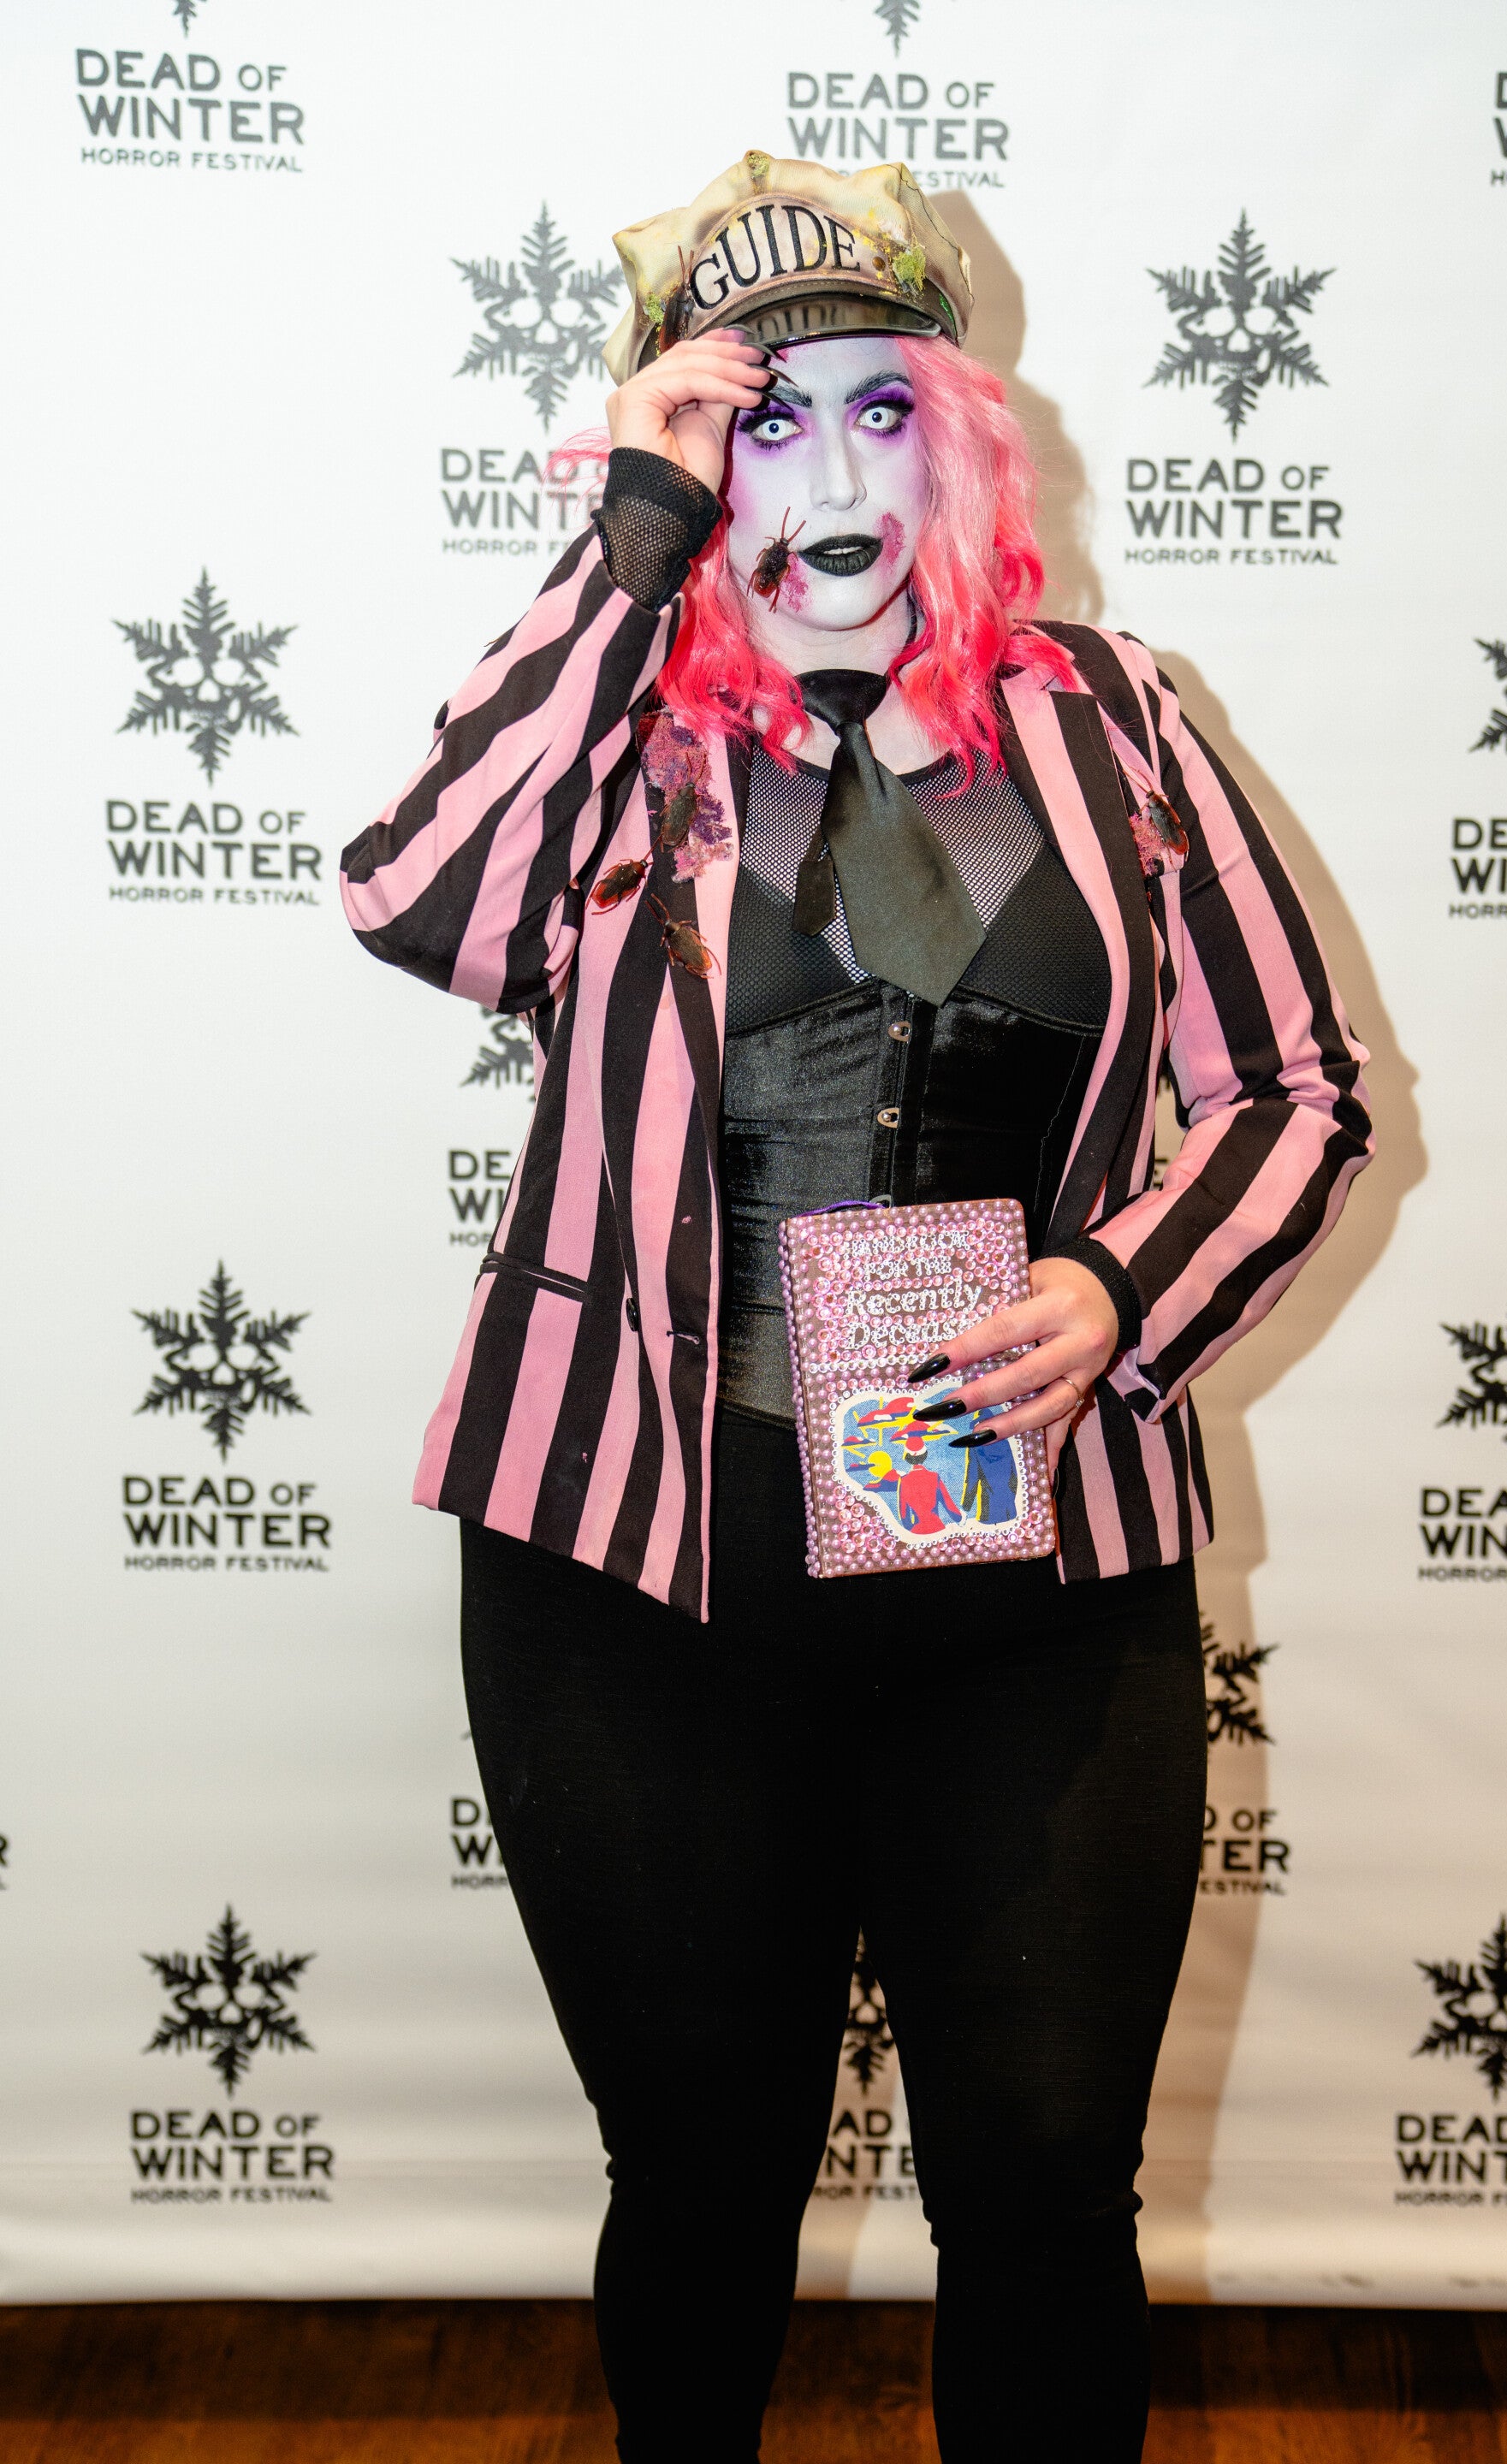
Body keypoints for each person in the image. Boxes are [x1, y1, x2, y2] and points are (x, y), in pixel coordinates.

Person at [342, 151, 1371, 2464]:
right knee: (703, 2192)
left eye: (883, 413)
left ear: (962, 446)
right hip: (647, 1582)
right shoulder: (620, 731)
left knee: (1047, 2195)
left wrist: (1121, 1285)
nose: (830, 479)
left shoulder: (1118, 725)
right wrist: (627, 543)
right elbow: (427, 906)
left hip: (1032, 1582)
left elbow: (1298, 1091)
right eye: (760, 422)